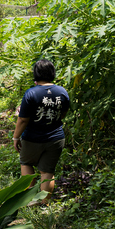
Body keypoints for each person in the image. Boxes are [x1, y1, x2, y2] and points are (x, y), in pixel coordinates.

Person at [13, 59, 71, 201]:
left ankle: (28, 200)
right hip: (56, 138)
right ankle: (44, 204)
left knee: (26, 163)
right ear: (52, 73)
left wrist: (15, 137)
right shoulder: (62, 92)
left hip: (33, 138)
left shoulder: (31, 93)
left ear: (36, 74)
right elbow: (62, 115)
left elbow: (23, 119)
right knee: (47, 172)